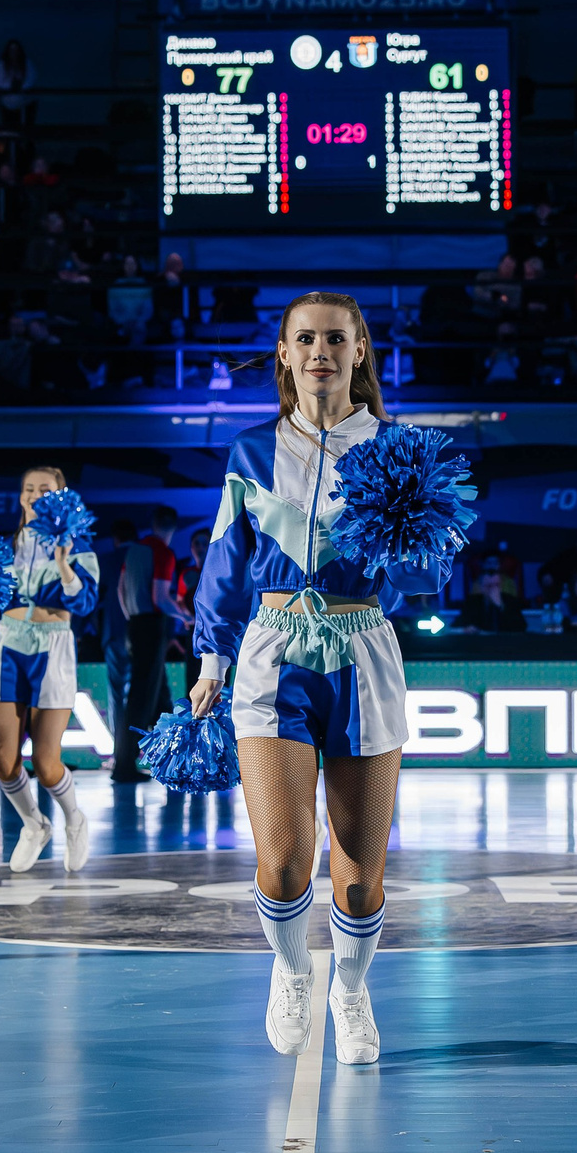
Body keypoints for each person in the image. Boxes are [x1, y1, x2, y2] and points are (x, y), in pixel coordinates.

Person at [190, 291, 450, 1067]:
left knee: (362, 877)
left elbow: (426, 576)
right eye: (305, 338)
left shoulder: (399, 448)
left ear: (360, 350)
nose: (320, 352)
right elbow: (223, 564)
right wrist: (211, 655)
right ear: (283, 352)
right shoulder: (248, 451)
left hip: (364, 642)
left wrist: (410, 544)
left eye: (336, 338)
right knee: (280, 859)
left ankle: (352, 986)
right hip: (272, 647)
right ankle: (294, 968)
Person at [0, 466, 100, 873]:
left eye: (45, 489)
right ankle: (34, 824)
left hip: (53, 648)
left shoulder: (79, 546)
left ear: (62, 496)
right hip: (8, 646)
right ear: (20, 497)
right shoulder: (4, 548)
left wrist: (63, 564)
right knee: (3, 758)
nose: (35, 495)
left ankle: (74, 819)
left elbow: (86, 604)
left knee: (46, 761)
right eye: (28, 489)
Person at [109, 505, 183, 784]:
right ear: (173, 527)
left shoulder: (135, 550)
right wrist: (186, 616)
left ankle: (168, 760)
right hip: (152, 624)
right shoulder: (162, 552)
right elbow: (162, 597)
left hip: (136, 624)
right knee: (142, 699)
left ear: (153, 523)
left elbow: (120, 590)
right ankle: (125, 765)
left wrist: (132, 621)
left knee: (159, 696)